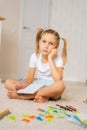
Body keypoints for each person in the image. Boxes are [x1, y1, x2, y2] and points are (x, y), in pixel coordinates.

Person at [5, 28, 67, 103]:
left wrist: (50, 58)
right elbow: (29, 79)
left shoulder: (58, 59)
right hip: (37, 85)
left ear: (56, 47)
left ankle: (24, 96)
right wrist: (22, 85)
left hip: (51, 88)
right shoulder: (35, 56)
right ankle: (42, 96)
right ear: (39, 42)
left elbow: (58, 79)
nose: (46, 46)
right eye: (44, 41)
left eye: (51, 44)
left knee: (61, 85)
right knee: (8, 82)